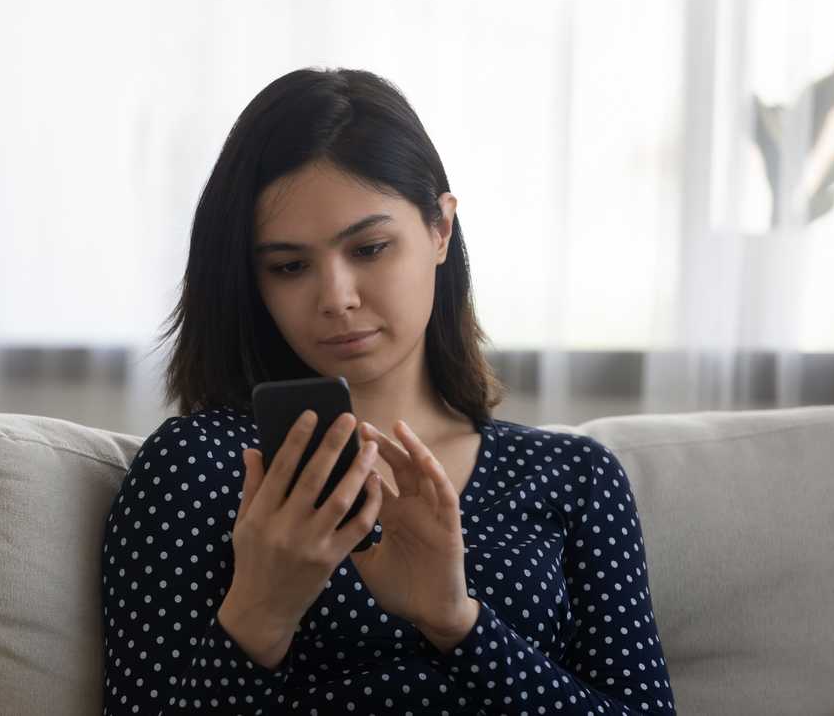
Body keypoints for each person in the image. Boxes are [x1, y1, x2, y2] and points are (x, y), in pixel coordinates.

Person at [101, 67, 677, 715]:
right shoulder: (197, 466)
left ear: (440, 229)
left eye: (370, 248)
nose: (336, 297)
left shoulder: (574, 476)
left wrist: (459, 622)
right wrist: (260, 612)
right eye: (290, 266)